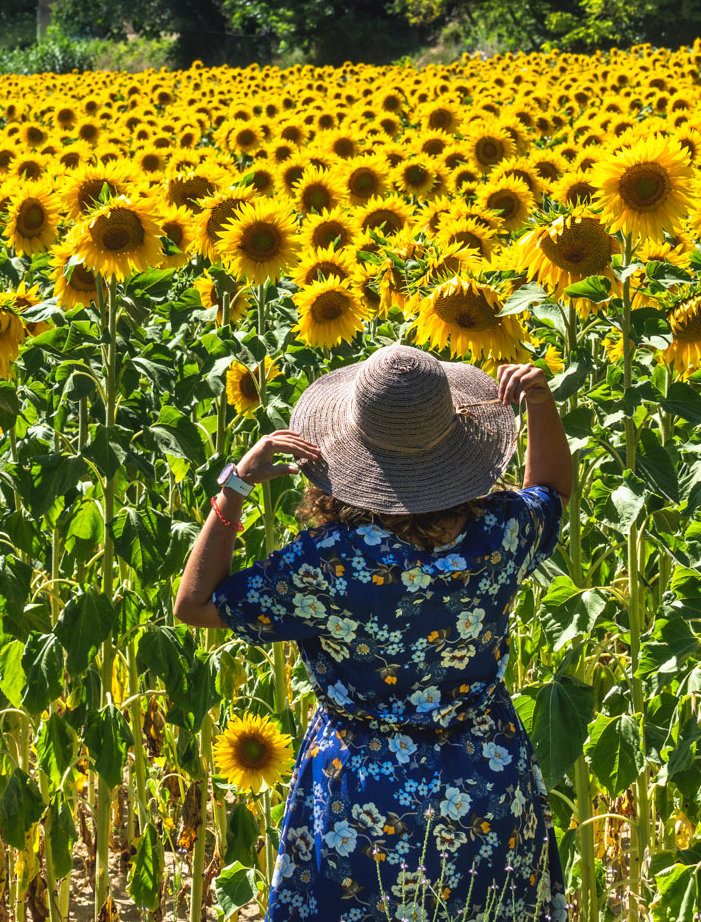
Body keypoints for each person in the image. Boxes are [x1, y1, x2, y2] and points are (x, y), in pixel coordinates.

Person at [174, 342, 572, 920]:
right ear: (456, 448)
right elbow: (554, 491)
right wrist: (540, 402)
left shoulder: (327, 564)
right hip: (485, 776)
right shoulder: (501, 535)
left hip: (362, 793)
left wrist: (235, 487)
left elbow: (195, 604)